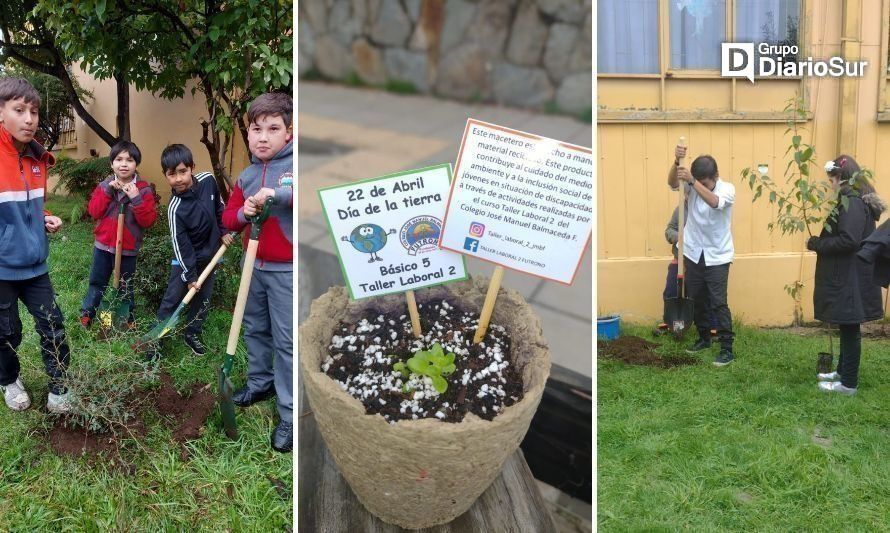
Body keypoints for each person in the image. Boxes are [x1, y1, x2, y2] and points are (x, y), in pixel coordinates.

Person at [222, 92, 293, 452]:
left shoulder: (296, 169)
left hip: (287, 272)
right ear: (247, 134)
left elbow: (300, 193)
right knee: (255, 328)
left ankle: (290, 414)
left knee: (287, 341)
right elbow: (228, 218)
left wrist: (275, 196)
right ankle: (260, 381)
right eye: (256, 129)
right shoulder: (246, 175)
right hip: (253, 266)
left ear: (289, 133)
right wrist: (244, 213)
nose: (263, 136)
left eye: (273, 128)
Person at [0, 76, 71, 413]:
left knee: (53, 326)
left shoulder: (36, 157)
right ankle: (9, 380)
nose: (29, 119)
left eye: (34, 112)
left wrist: (45, 217)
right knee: (5, 333)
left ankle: (59, 386)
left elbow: (26, 206)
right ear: (2, 113)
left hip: (35, 266)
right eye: (19, 110)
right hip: (1, 269)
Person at [808, 156, 885, 395]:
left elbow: (849, 240)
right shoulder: (851, 200)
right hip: (850, 274)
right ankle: (842, 371)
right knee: (846, 324)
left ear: (842, 177)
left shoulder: (852, 202)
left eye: (832, 178)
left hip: (850, 276)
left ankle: (848, 383)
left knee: (850, 328)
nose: (829, 183)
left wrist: (817, 243)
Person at [151, 144, 234, 357]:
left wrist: (223, 230)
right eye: (172, 174)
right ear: (165, 175)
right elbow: (181, 244)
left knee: (203, 300)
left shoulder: (208, 180)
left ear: (192, 168)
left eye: (182, 171)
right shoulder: (175, 208)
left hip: (211, 256)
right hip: (185, 261)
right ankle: (156, 339)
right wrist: (190, 275)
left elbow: (220, 207)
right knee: (172, 300)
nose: (178, 179)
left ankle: (192, 333)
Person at [668, 145, 736, 365]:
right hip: (694, 252)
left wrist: (693, 182)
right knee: (696, 299)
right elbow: (671, 183)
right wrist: (676, 162)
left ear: (715, 176)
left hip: (718, 256)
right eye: (698, 182)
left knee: (718, 302)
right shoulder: (691, 186)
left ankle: (726, 348)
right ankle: (704, 338)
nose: (700, 186)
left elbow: (715, 203)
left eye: (705, 182)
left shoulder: (727, 189)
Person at [81, 140, 157, 328]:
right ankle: (88, 314)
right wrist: (107, 191)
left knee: (125, 286)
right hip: (103, 246)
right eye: (119, 159)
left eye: (129, 160)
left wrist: (136, 199)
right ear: (111, 163)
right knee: (97, 282)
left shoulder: (144, 190)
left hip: (128, 249)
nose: (124, 164)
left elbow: (148, 221)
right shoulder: (105, 185)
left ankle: (126, 318)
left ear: (136, 164)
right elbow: (94, 211)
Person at [658, 206, 718, 337]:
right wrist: (679, 236)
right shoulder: (680, 210)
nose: (686, 195)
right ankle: (673, 322)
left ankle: (711, 325)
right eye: (684, 192)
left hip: (699, 261)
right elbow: (669, 230)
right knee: (671, 289)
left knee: (703, 292)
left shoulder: (705, 207)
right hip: (680, 258)